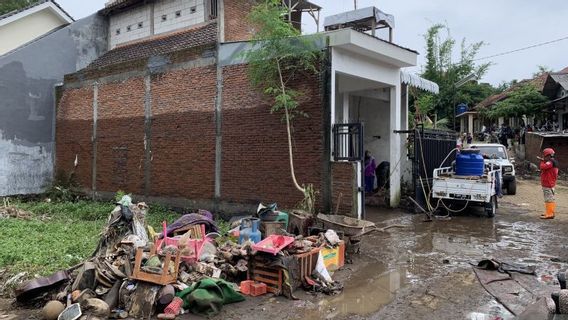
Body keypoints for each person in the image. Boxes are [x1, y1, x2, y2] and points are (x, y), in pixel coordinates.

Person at [539, 148, 559, 219]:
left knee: (549, 199)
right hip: (549, 183)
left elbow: (542, 167)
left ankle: (550, 214)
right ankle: (549, 212)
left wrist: (542, 161)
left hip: (548, 184)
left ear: (548, 155)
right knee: (549, 199)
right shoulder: (552, 162)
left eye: (544, 156)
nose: (544, 157)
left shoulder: (550, 162)